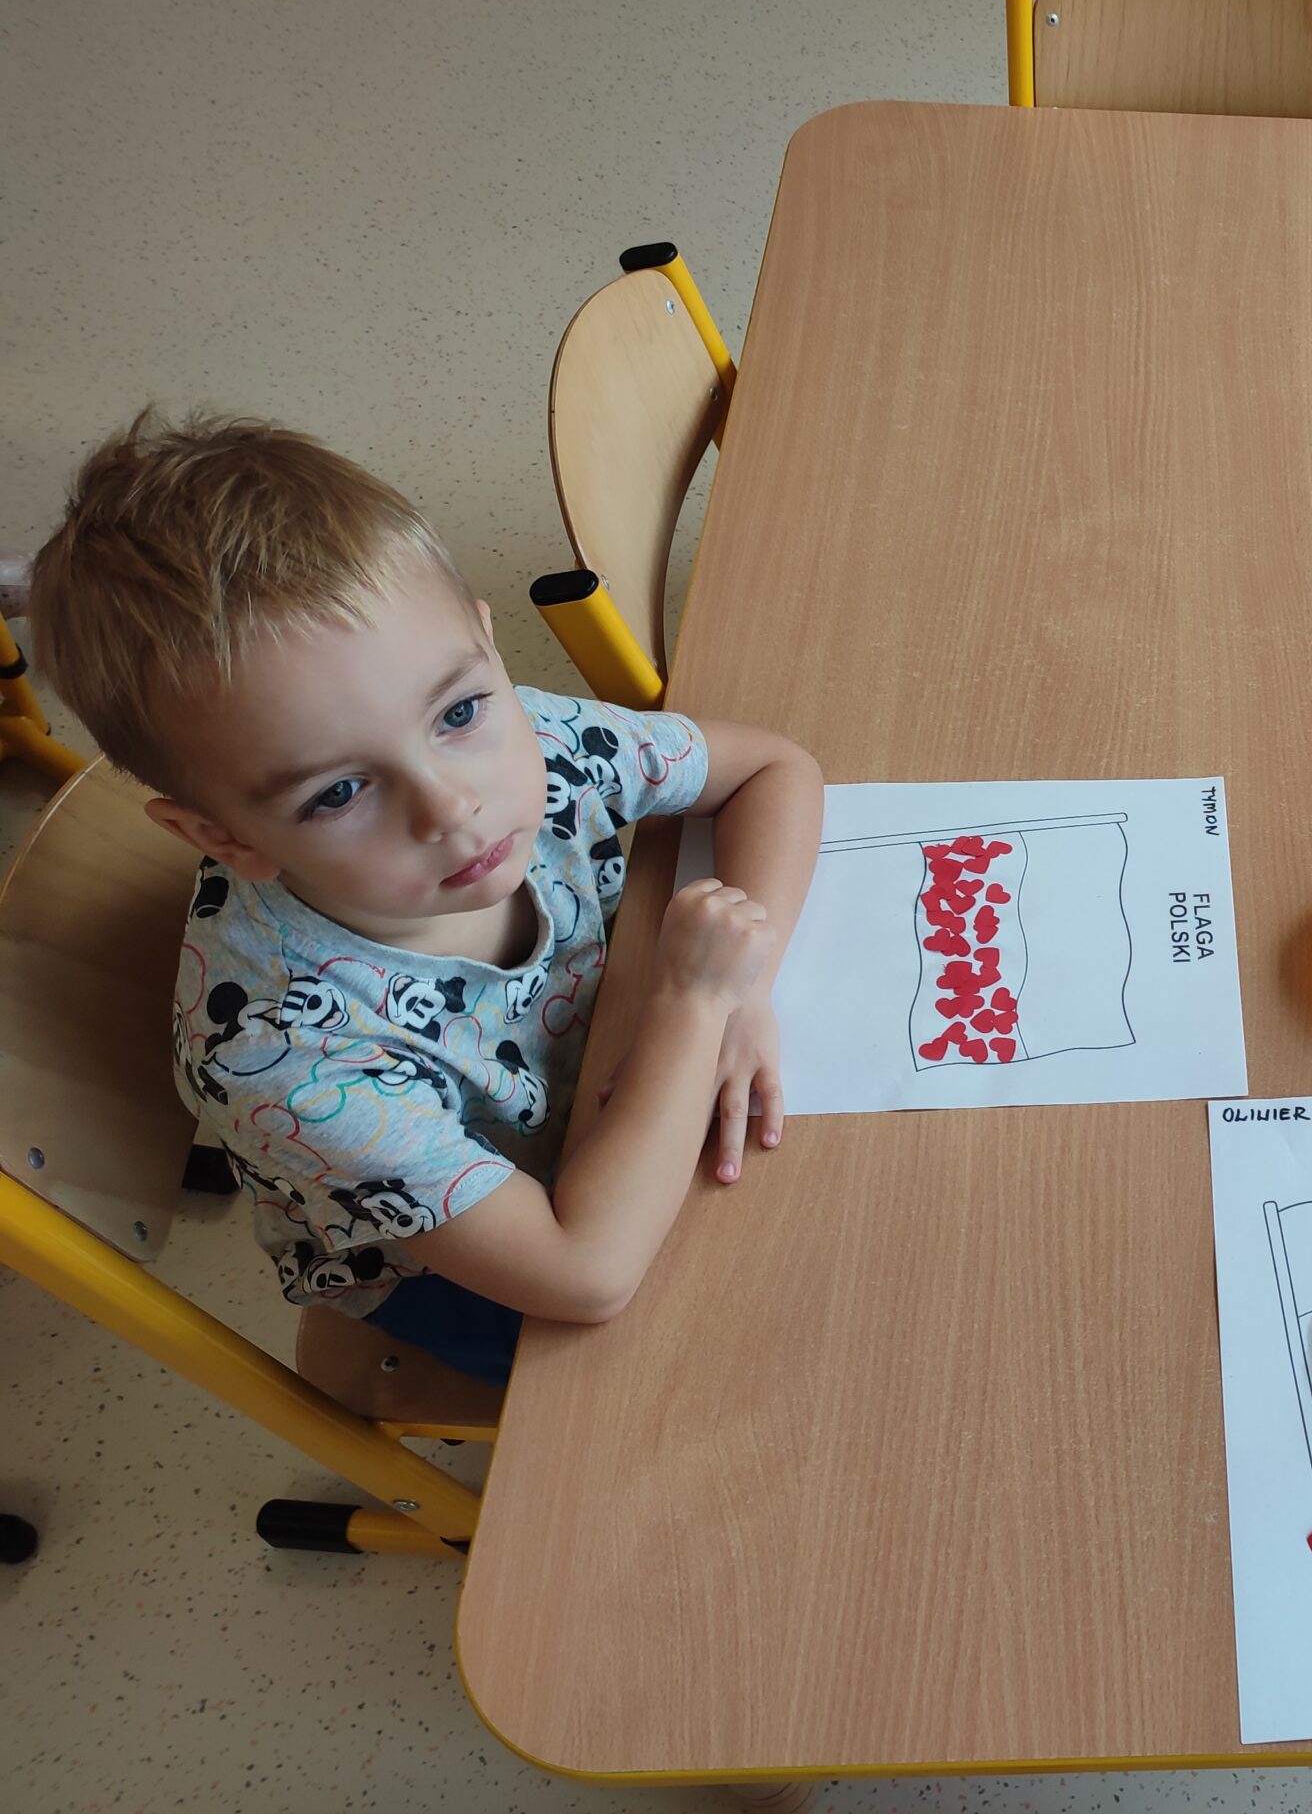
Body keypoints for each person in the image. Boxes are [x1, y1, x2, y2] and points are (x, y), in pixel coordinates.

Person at [28, 412, 822, 1379]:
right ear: (225, 839)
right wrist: (696, 1004)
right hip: (462, 1259)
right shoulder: (288, 1059)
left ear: (485, 642)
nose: (452, 807)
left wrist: (745, 992)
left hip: (617, 1064)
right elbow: (586, 1274)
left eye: (459, 711)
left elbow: (774, 769)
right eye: (338, 793)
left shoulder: (523, 738)